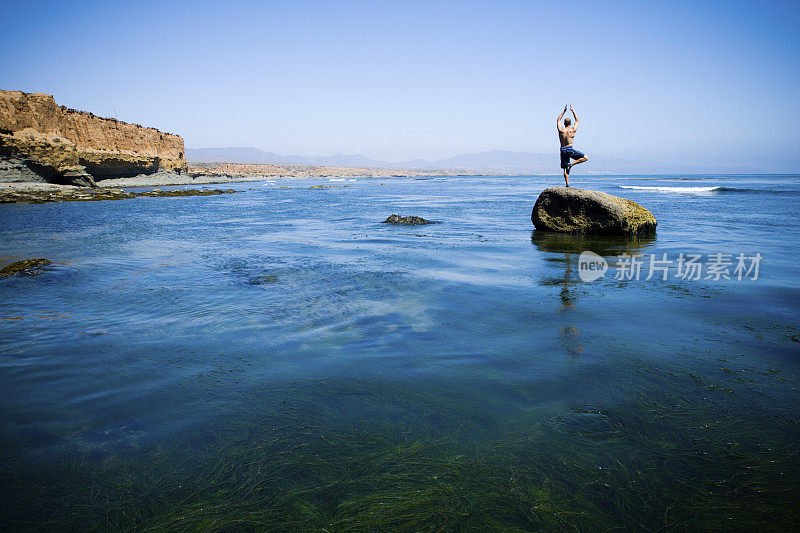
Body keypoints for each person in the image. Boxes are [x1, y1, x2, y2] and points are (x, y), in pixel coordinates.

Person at [557, 105, 588, 187]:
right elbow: (577, 120)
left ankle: (567, 184)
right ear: (570, 123)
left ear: (564, 123)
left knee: (565, 168)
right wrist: (573, 111)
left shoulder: (561, 130)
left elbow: (558, 120)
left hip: (563, 149)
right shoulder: (572, 130)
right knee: (585, 158)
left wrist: (563, 111)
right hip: (570, 148)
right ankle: (571, 164)